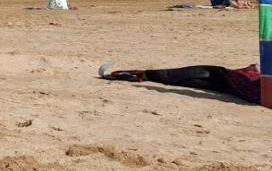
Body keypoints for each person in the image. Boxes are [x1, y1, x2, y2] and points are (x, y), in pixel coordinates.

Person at [98, 62, 261, 104]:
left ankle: (141, 75)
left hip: (255, 89)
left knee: (214, 73)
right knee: (210, 82)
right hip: (253, 91)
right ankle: (140, 76)